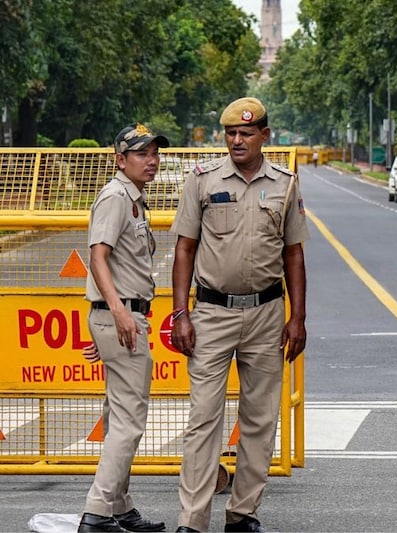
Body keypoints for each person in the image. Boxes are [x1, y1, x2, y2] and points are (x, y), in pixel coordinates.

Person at [170, 97, 309, 533]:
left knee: (261, 419)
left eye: (246, 133)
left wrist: (298, 318)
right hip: (211, 313)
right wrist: (181, 314)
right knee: (202, 420)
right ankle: (192, 521)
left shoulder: (285, 183)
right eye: (230, 133)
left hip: (268, 314)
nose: (236, 140)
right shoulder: (203, 180)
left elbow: (294, 254)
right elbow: (184, 249)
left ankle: (243, 514)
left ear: (264, 136)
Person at [79, 124, 169, 533]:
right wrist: (117, 313)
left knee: (119, 417)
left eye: (154, 153)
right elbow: (98, 258)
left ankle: (119, 507)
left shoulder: (134, 198)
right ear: (120, 159)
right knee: (130, 420)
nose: (151, 161)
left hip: (122, 316)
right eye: (141, 154)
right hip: (123, 317)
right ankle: (98, 513)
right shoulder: (116, 197)